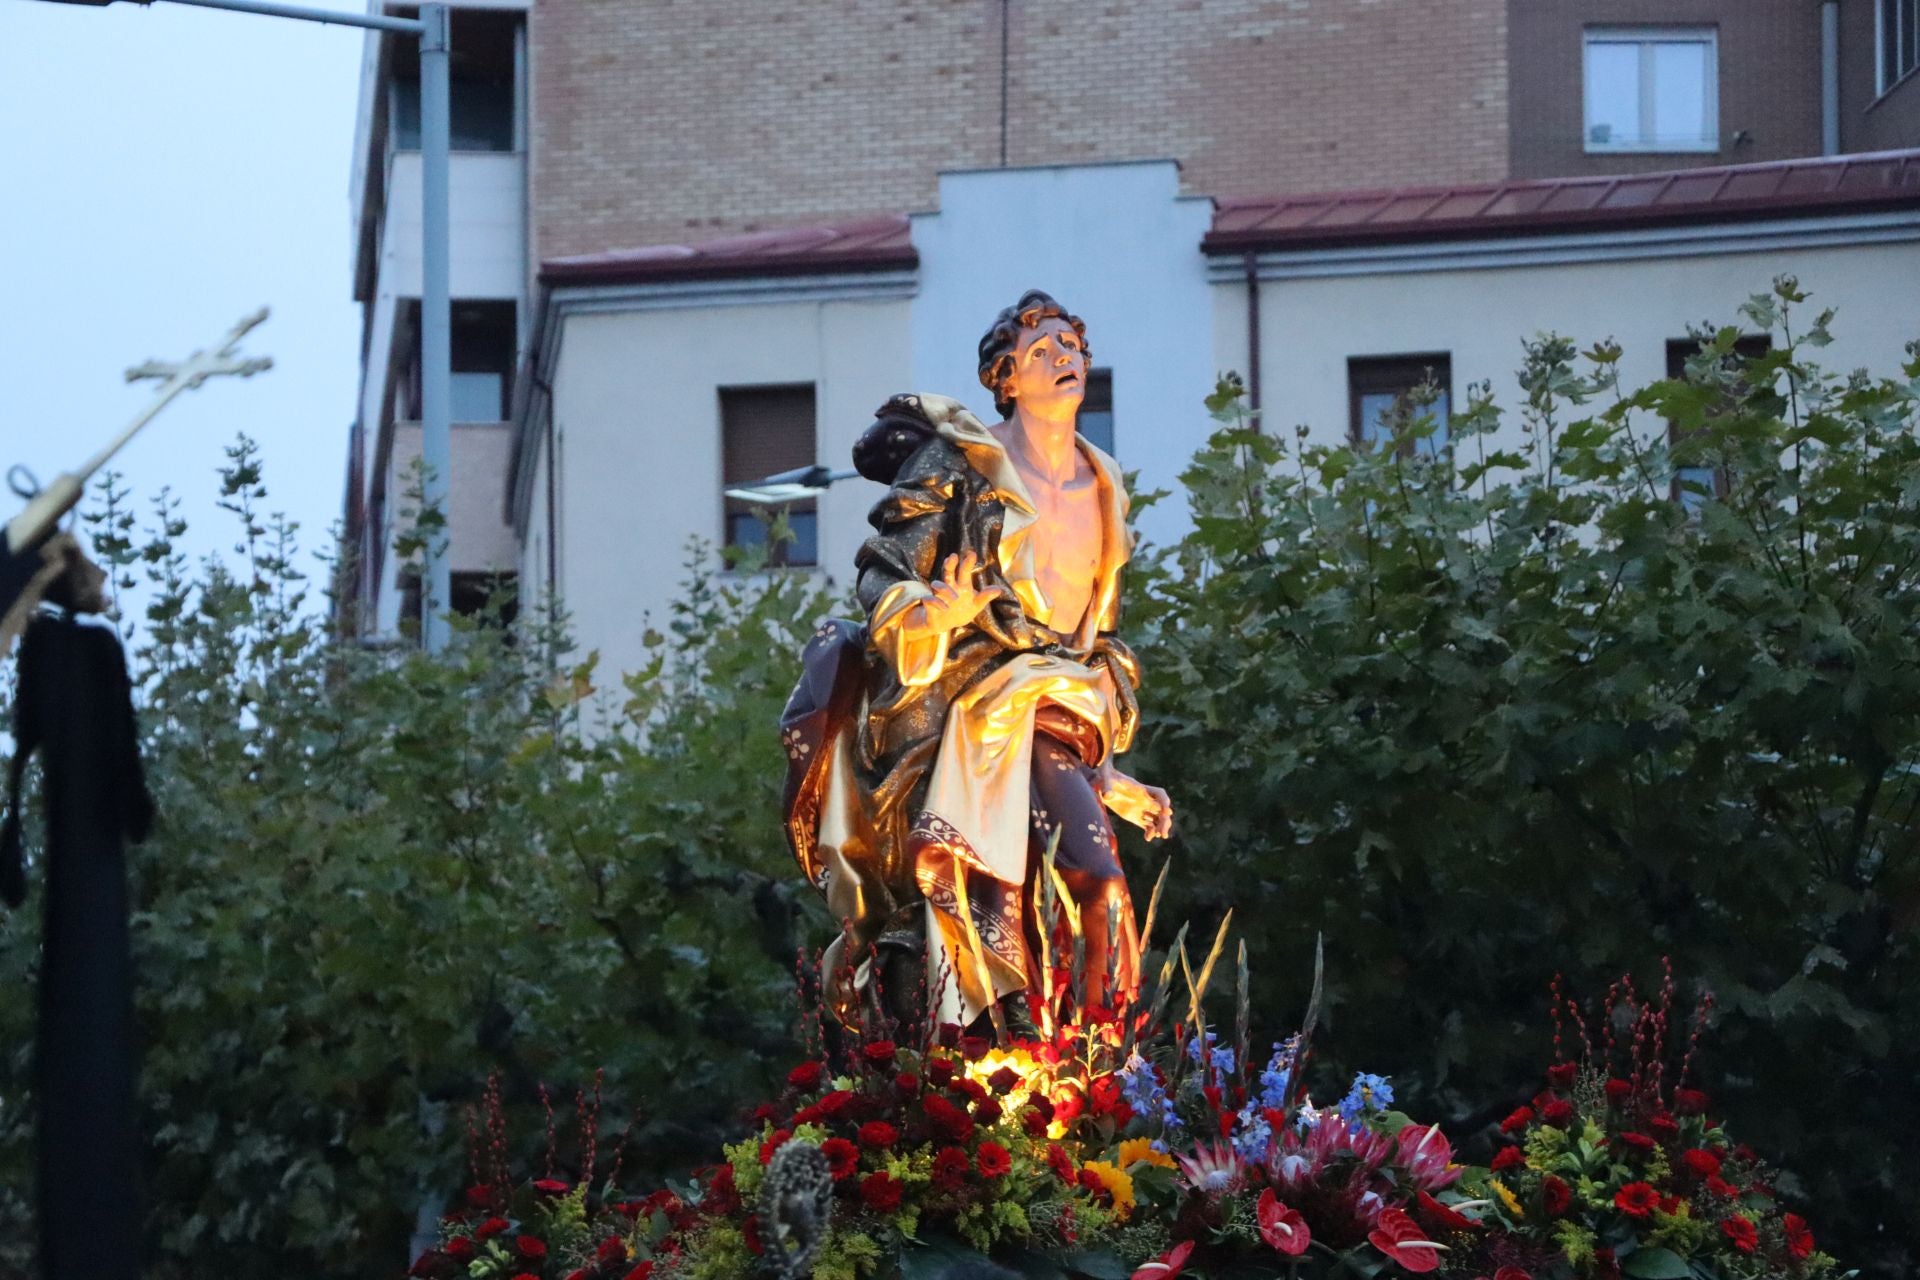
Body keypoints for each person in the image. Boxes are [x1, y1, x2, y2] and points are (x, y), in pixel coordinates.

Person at [780, 290, 1172, 1033]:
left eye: (1074, 350)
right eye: (1044, 353)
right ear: (1005, 378)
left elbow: (1101, 644)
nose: (1067, 361)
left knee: (1089, 893)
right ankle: (1066, 1063)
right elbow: (885, 573)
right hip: (968, 703)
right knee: (1082, 888)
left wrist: (1110, 772)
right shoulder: (962, 463)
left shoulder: (1106, 484)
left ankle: (1098, 1067)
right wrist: (936, 613)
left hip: (1060, 711)